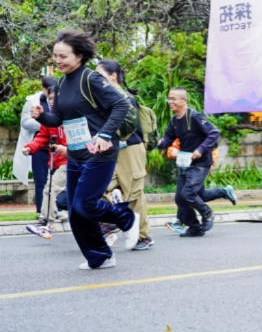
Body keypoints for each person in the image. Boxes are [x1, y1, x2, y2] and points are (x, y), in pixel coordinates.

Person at [31, 29, 139, 269]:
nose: (58, 61)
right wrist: (41, 116)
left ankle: (125, 216)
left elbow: (120, 105)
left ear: (79, 56)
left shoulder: (91, 79)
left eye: (63, 56)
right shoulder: (61, 83)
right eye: (55, 56)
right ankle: (101, 256)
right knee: (76, 213)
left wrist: (104, 134)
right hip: (77, 154)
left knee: (84, 204)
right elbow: (57, 119)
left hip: (100, 153)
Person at [155, 87, 233, 237]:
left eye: (173, 99)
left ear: (184, 100)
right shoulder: (174, 120)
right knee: (181, 198)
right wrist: (158, 143)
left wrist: (200, 149)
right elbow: (168, 138)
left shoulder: (194, 116)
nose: (170, 102)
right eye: (169, 98)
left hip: (200, 164)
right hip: (185, 164)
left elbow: (213, 132)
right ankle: (195, 227)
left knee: (188, 193)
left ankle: (207, 213)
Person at [95, 60, 153, 250]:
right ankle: (112, 222)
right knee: (105, 187)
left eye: (100, 75)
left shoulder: (123, 98)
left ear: (113, 76)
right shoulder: (106, 97)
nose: (96, 80)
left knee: (133, 194)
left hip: (130, 149)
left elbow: (127, 129)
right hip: (112, 149)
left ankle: (142, 236)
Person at [14, 76, 57, 218]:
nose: (50, 95)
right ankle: (41, 211)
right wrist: (47, 123)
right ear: (42, 88)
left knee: (57, 180)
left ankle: (56, 210)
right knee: (40, 180)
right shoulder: (33, 101)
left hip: (57, 148)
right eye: (47, 90)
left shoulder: (60, 101)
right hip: (39, 147)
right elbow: (25, 122)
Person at [22, 122, 68, 239]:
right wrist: (30, 147)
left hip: (69, 160)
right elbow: (42, 136)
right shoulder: (50, 119)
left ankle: (47, 224)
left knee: (50, 189)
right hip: (58, 161)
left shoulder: (71, 114)